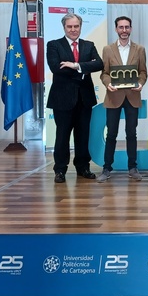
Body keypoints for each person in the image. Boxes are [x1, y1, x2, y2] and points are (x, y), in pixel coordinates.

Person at [46, 13, 103, 183]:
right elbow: (56, 68)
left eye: (76, 26)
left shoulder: (88, 45)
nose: (73, 30)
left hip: (84, 98)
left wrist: (76, 65)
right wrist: (83, 70)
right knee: (62, 135)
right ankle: (60, 170)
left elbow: (99, 64)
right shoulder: (54, 45)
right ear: (64, 27)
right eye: (69, 26)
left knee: (83, 134)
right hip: (62, 98)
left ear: (80, 26)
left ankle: (83, 167)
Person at [97, 16, 148, 183]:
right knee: (111, 134)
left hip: (132, 96)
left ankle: (132, 168)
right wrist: (108, 83)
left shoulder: (139, 49)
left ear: (131, 29)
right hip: (113, 96)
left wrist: (140, 83)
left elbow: (143, 72)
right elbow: (104, 73)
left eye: (127, 27)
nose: (124, 30)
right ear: (116, 29)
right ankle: (106, 168)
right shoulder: (107, 49)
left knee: (131, 133)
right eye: (121, 27)